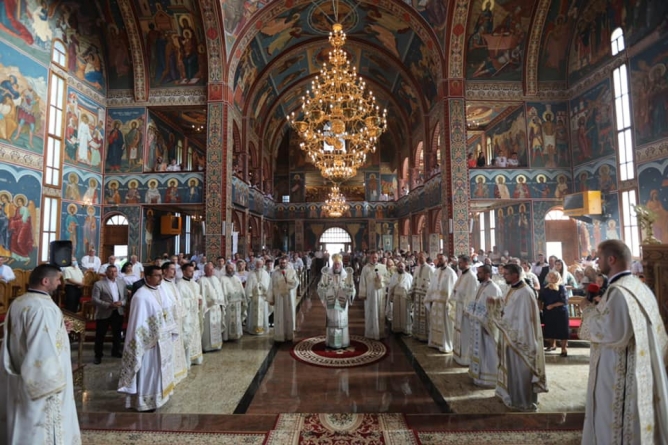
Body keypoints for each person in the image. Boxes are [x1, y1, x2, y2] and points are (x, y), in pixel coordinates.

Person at [579, 240, 668, 444]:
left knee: (617, 423)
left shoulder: (619, 291)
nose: (597, 262)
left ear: (612, 259)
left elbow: (614, 332)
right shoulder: (638, 286)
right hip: (641, 366)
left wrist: (588, 311)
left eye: (599, 258)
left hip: (621, 372)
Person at [0, 264, 80, 443]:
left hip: (20, 374)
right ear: (46, 281)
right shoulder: (43, 307)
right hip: (41, 385)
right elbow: (41, 347)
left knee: (23, 426)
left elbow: (30, 335)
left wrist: (59, 330)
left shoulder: (19, 302)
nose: (60, 283)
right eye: (58, 279)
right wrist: (50, 386)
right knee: (42, 431)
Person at [488, 263, 547, 411]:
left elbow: (523, 318)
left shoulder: (525, 292)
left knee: (521, 371)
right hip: (510, 335)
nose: (504, 276)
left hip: (521, 339)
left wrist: (503, 320)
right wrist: (495, 301)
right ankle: (512, 396)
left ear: (515, 275)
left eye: (506, 274)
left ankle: (523, 401)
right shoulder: (512, 288)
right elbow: (506, 305)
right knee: (512, 370)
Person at [118, 265, 178, 411]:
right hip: (148, 343)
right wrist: (146, 339)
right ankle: (145, 401)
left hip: (162, 340)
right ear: (147, 277)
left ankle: (159, 397)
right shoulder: (140, 296)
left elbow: (168, 312)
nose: (160, 278)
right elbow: (138, 324)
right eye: (157, 275)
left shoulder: (161, 291)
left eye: (161, 275)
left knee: (159, 371)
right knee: (148, 371)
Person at [467, 265, 503, 387]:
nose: (477, 274)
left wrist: (488, 322)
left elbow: (496, 309)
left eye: (480, 273)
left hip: (486, 326)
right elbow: (475, 301)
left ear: (487, 274)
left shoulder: (494, 288)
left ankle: (489, 379)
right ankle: (478, 376)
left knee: (488, 351)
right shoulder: (481, 286)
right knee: (479, 351)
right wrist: (470, 313)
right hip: (478, 324)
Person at [317, 254, 355, 349]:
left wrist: (350, 291)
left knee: (342, 322)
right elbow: (320, 287)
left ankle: (343, 342)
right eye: (335, 264)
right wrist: (324, 290)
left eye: (338, 264)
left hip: (342, 302)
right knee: (332, 321)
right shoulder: (326, 274)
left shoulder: (347, 275)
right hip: (331, 301)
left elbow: (352, 288)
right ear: (333, 264)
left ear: (341, 265)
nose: (337, 266)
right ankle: (331, 342)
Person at [91, 265, 127, 364]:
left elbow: (125, 297)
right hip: (104, 312)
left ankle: (115, 351)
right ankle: (98, 355)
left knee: (117, 334)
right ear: (106, 272)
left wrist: (121, 303)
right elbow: (95, 299)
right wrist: (108, 305)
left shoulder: (121, 283)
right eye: (110, 271)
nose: (113, 273)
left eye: (115, 271)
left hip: (118, 311)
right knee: (100, 335)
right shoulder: (99, 284)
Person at [424, 253, 457, 353]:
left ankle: (445, 344)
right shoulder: (436, 271)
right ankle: (434, 342)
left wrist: (450, 303)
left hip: (444, 303)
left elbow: (453, 288)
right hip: (435, 302)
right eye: (438, 259)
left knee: (445, 324)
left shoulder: (451, 273)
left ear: (446, 260)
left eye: (441, 259)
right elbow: (432, 286)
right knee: (435, 323)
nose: (439, 260)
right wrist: (429, 298)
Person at [161, 262, 188, 383]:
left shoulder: (173, 284)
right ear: (165, 271)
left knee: (178, 345)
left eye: (174, 269)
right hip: (169, 322)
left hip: (177, 320)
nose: (174, 271)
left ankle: (178, 369)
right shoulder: (161, 285)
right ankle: (170, 372)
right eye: (171, 269)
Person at [452, 255, 479, 366]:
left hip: (465, 310)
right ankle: (458, 355)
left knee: (465, 333)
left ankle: (465, 358)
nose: (459, 264)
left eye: (461, 263)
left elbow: (472, 295)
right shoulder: (463, 275)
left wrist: (467, 310)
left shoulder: (471, 277)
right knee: (459, 332)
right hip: (459, 307)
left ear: (467, 263)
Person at [176, 263, 203, 366]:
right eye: (190, 271)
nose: (192, 273)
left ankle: (195, 358)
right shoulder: (179, 285)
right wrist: (193, 301)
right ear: (184, 272)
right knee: (187, 336)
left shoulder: (195, 284)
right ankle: (187, 360)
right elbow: (180, 301)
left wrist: (199, 299)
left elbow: (197, 295)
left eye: (193, 271)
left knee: (195, 336)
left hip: (194, 315)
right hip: (186, 317)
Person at [268, 256, 299, 342]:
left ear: (287, 263)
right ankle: (279, 336)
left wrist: (287, 280)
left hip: (288, 297)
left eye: (284, 263)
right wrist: (271, 298)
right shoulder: (275, 273)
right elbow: (271, 286)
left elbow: (296, 283)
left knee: (288, 315)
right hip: (278, 297)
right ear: (279, 263)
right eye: (281, 263)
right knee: (279, 315)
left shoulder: (292, 272)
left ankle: (289, 335)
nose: (282, 264)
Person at [540, 271, 569, 356]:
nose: (551, 279)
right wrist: (540, 306)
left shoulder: (561, 287)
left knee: (562, 331)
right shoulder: (545, 288)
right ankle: (552, 345)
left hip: (560, 311)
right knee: (550, 328)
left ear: (557, 278)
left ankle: (564, 349)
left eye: (553, 277)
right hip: (548, 311)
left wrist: (552, 305)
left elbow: (564, 301)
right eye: (550, 277)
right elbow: (541, 298)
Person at [199, 263, 225, 351]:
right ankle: (207, 346)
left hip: (217, 307)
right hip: (208, 309)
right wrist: (208, 303)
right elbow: (201, 294)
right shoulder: (201, 280)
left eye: (212, 269)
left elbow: (220, 292)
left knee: (216, 325)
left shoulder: (216, 279)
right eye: (209, 269)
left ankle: (217, 345)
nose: (211, 271)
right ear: (205, 270)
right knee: (208, 327)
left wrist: (221, 302)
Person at [410, 252, 434, 341]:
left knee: (425, 316)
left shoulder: (430, 269)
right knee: (417, 314)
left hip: (425, 296)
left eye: (422, 257)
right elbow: (414, 280)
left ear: (426, 257)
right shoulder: (417, 268)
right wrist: (412, 292)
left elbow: (433, 283)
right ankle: (417, 333)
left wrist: (431, 296)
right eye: (419, 257)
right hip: (417, 295)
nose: (420, 259)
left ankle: (426, 336)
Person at [245, 257, 272, 335]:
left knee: (263, 313)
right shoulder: (251, 273)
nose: (258, 265)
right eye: (257, 264)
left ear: (262, 264)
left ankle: (262, 328)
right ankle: (252, 328)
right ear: (255, 264)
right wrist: (252, 290)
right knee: (253, 313)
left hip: (263, 297)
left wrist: (262, 287)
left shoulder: (265, 273)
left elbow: (268, 285)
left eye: (260, 264)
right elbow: (248, 285)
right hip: (254, 297)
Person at [220, 262, 246, 341]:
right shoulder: (222, 279)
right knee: (228, 319)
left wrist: (242, 300)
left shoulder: (237, 278)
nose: (231, 270)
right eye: (229, 268)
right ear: (226, 269)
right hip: (228, 304)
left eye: (232, 268)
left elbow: (241, 290)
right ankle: (227, 336)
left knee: (237, 319)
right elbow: (221, 292)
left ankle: (237, 334)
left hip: (237, 304)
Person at [388, 260, 413, 335]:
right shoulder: (394, 276)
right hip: (396, 296)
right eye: (399, 266)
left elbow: (411, 287)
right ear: (397, 267)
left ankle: (405, 329)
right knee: (396, 312)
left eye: (402, 266)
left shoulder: (409, 276)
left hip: (404, 296)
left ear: (404, 267)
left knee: (405, 312)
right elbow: (390, 287)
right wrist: (391, 295)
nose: (400, 267)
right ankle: (397, 328)